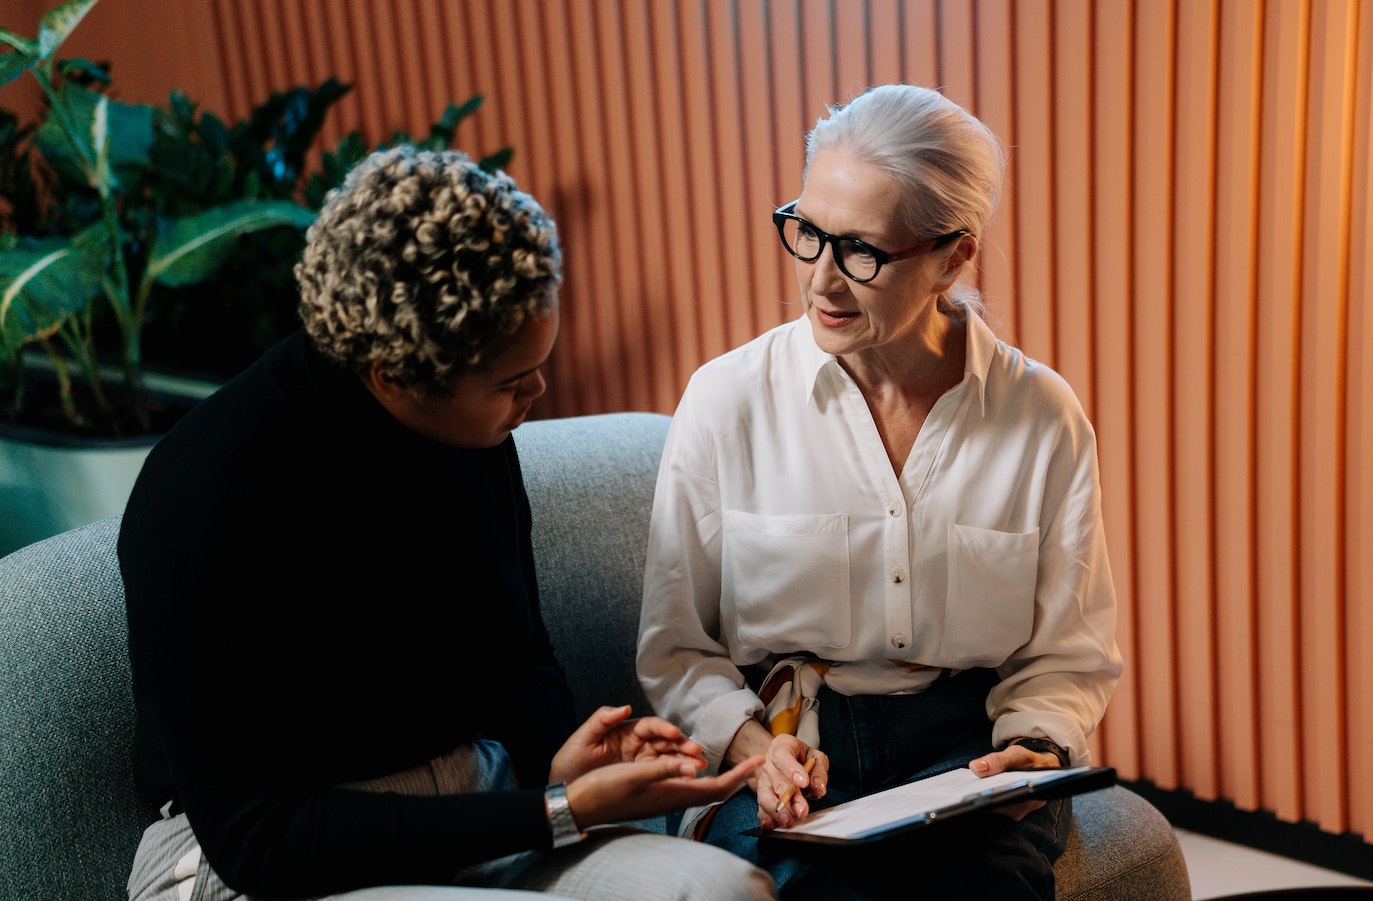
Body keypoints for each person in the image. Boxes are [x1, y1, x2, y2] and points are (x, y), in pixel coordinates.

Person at [119, 145, 776, 901]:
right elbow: (261, 838)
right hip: (273, 860)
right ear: (393, 378)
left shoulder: (470, 434)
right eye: (509, 382)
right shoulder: (204, 495)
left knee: (723, 891)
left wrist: (559, 761)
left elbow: (519, 651)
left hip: (480, 804)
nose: (538, 390)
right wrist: (552, 810)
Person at [634, 84, 1124, 899]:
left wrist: (1036, 742)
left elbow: (1066, 653)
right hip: (791, 736)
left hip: (965, 744)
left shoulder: (1041, 416)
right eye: (808, 233)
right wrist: (755, 744)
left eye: (861, 250)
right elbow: (677, 647)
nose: (822, 280)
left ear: (953, 256)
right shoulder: (726, 401)